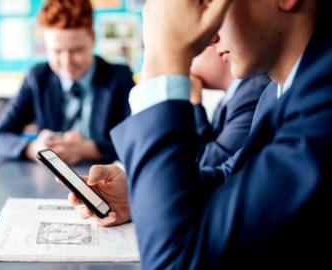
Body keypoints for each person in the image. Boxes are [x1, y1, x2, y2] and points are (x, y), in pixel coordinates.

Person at [67, 0, 332, 268]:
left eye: (210, 3)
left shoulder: (324, 103)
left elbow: (175, 262)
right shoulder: (277, 94)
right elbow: (231, 177)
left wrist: (166, 56)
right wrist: (138, 194)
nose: (209, 37)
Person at [0, 0, 135, 165]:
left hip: (105, 182)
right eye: (57, 51)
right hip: (46, 182)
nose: (67, 62)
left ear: (93, 39)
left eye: (77, 50)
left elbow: (137, 142)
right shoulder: (38, 77)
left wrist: (87, 149)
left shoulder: (119, 78)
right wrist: (34, 149)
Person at [190, 46, 270, 168]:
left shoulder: (253, 93)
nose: (186, 68)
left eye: (191, 53)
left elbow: (205, 165)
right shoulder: (227, 102)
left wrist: (194, 104)